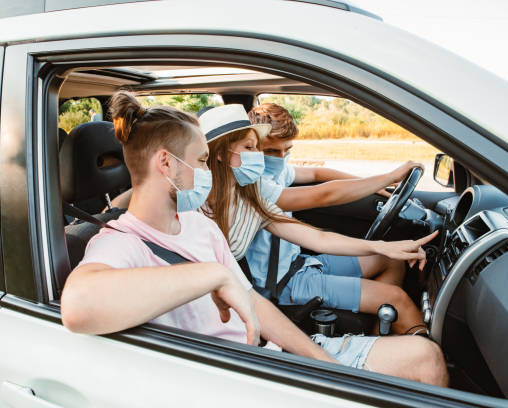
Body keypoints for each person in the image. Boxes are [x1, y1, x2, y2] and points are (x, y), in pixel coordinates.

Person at [61, 91, 448, 386]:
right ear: (166, 164)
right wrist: (214, 275)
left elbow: (253, 303)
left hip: (266, 356)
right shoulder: (118, 242)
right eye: (200, 161)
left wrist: (324, 365)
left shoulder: (200, 227)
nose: (206, 169)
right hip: (238, 377)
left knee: (424, 358)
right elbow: (77, 307)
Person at [198, 104, 436, 335]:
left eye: (286, 151)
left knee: (390, 261)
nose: (280, 158)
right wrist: (387, 177)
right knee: (398, 299)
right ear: (220, 154)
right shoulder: (253, 190)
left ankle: (379, 331)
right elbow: (323, 195)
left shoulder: (256, 185)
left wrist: (378, 190)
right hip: (283, 284)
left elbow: (317, 181)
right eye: (264, 151)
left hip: (298, 264)